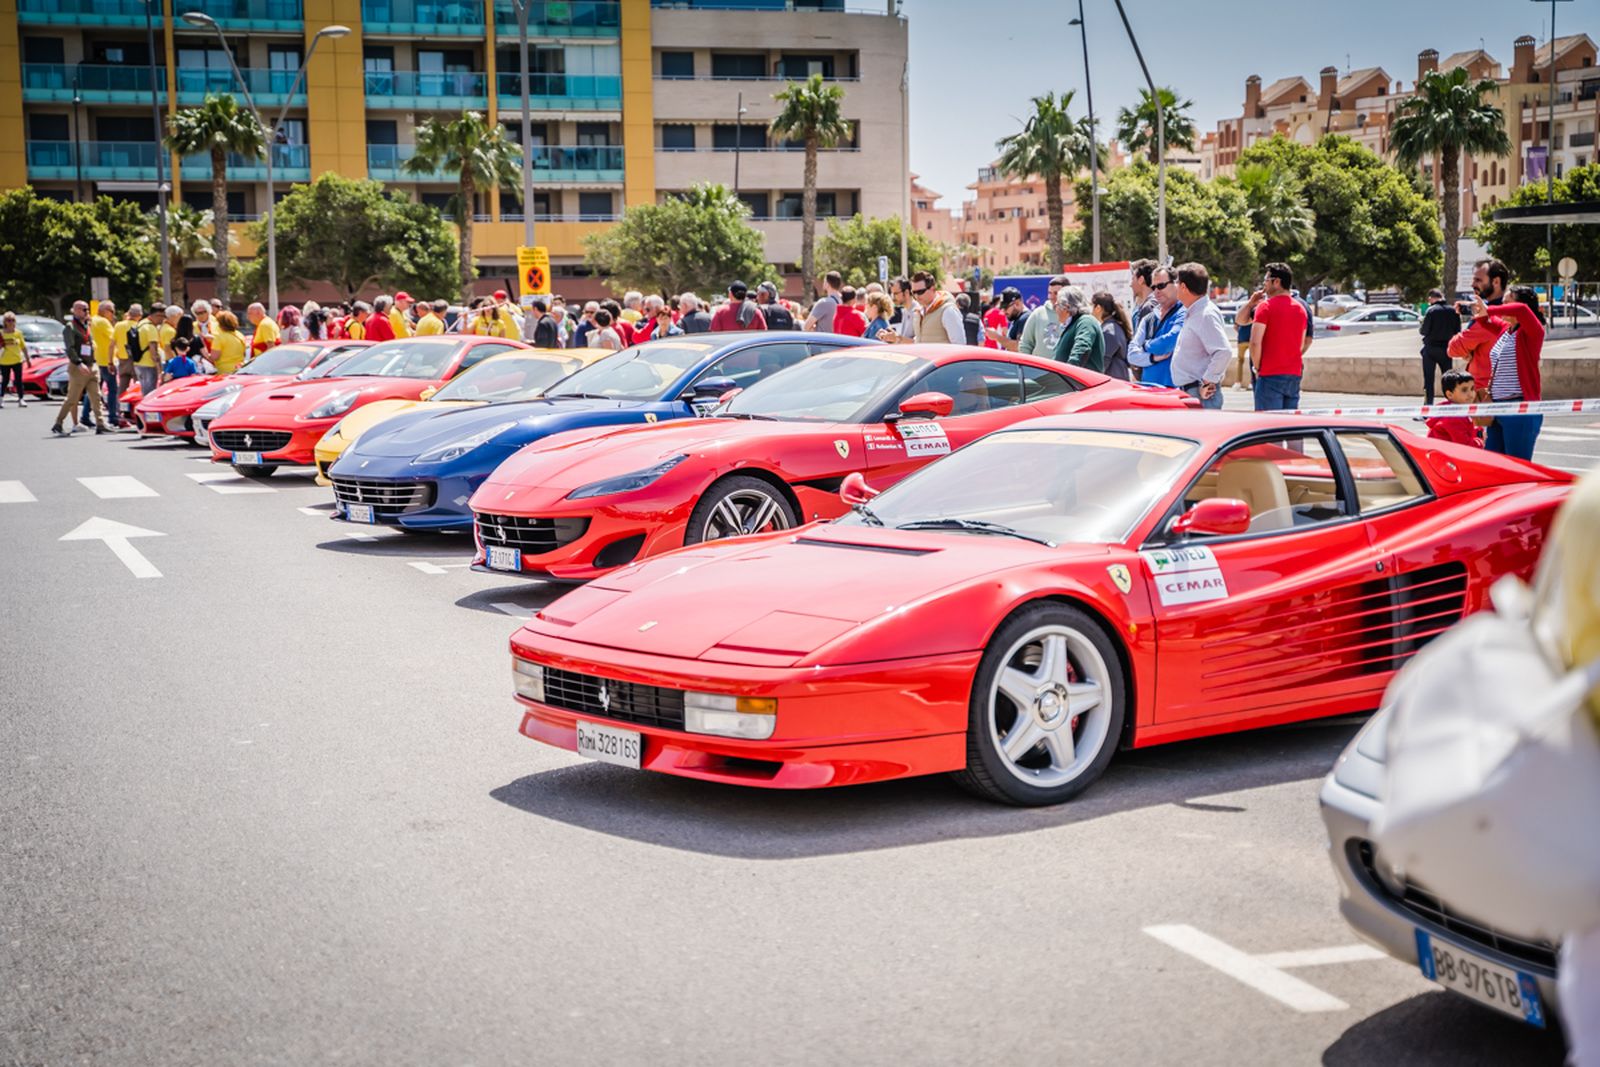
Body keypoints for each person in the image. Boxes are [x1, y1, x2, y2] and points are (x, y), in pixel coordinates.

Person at [1450, 288, 1546, 460]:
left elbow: (1521, 310)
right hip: (1496, 407)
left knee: (1518, 468)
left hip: (1519, 408)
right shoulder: (1505, 330)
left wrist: (1490, 309)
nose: (1503, 306)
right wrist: (1476, 310)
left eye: (1506, 303)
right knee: (1494, 464)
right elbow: (1486, 322)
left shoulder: (1532, 332)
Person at [1238, 261, 1310, 412]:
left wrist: (1257, 367)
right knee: (1289, 428)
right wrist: (1252, 302)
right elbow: (1301, 343)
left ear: (1276, 282)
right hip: (1293, 374)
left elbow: (1255, 342)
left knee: (1268, 428)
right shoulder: (1301, 309)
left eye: (1266, 280)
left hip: (1270, 374)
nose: (1264, 285)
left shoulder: (1266, 307)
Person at [1169, 262, 1232, 409]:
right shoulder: (1197, 311)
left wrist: (1207, 382)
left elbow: (1224, 352)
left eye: (1177, 283)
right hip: (1193, 391)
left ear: (1183, 287)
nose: (1175, 287)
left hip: (1200, 394)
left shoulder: (1205, 314)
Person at [52, 300, 112, 435]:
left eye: (87, 309)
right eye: (83, 309)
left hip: (91, 365)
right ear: (75, 310)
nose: (86, 312)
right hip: (78, 367)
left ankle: (100, 424)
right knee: (72, 398)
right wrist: (78, 363)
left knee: (96, 396)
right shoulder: (70, 327)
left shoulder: (87, 325)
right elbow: (70, 348)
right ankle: (58, 423)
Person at [1128, 265, 1184, 387]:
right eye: (1154, 287)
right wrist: (1153, 358)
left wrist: (1144, 346)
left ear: (1176, 284)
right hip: (1149, 391)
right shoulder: (1149, 319)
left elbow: (1171, 341)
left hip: (1175, 392)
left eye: (1161, 286)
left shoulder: (1184, 312)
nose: (1157, 291)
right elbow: (1131, 355)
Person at [1419, 288, 1460, 405]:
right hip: (1447, 350)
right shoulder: (1453, 310)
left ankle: (1428, 408)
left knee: (1429, 381)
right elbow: (1458, 330)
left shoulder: (1431, 310)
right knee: (1449, 380)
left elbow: (1423, 331)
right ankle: (1452, 406)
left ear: (1431, 298)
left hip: (1431, 350)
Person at [1051, 286, 1104, 370]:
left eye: (1056, 305)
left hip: (1079, 382)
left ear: (1066, 307)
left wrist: (1069, 373)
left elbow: (1082, 349)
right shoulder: (1074, 324)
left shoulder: (1086, 321)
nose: (1055, 309)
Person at [1425, 369, 1482, 448]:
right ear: (1449, 394)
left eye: (1472, 389)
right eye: (1464, 390)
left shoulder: (1457, 412)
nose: (1470, 394)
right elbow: (1465, 447)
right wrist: (1480, 441)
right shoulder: (1454, 417)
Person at [1017, 275, 1070, 356]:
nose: (1051, 297)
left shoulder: (1074, 315)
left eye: (1056, 293)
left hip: (1064, 368)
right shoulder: (1037, 314)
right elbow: (1025, 344)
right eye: (1049, 293)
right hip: (1039, 368)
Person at [906, 270, 963, 343]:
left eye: (920, 292)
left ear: (932, 288)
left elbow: (959, 344)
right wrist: (898, 339)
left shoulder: (948, 311)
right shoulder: (919, 312)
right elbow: (919, 340)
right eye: (913, 292)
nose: (916, 296)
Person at [91, 299, 120, 427]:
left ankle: (85, 415)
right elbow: (114, 339)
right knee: (112, 389)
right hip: (107, 360)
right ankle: (113, 417)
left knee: (94, 390)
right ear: (105, 310)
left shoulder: (93, 320)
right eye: (112, 311)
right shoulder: (103, 322)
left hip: (97, 358)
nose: (113, 314)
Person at [1092, 291, 1132, 380]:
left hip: (1112, 383)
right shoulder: (1112, 327)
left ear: (1098, 308)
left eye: (1091, 305)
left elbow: (1102, 364)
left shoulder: (1108, 330)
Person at [132, 304, 167, 398]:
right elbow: (153, 351)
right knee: (150, 394)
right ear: (156, 315)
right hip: (149, 365)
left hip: (138, 363)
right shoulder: (151, 328)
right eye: (162, 316)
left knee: (144, 392)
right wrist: (160, 369)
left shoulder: (141, 323)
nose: (163, 319)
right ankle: (148, 413)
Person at [0, 312, 29, 406]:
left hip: (17, 360)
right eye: (8, 320)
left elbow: (23, 346)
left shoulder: (18, 333)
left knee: (18, 380)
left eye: (13, 320)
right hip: (4, 360)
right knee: (5, 380)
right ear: (5, 322)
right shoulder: (1, 333)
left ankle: (21, 399)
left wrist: (28, 359)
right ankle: (1, 398)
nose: (11, 322)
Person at [210, 311, 248, 375]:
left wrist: (205, 354)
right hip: (240, 369)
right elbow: (244, 354)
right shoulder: (239, 335)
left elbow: (214, 357)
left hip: (224, 372)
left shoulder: (219, 337)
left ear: (220, 324)